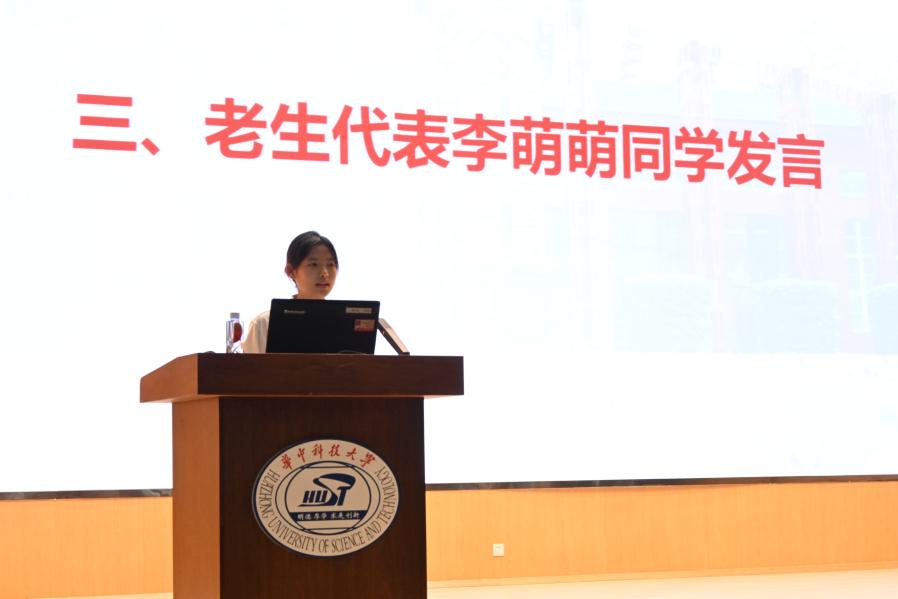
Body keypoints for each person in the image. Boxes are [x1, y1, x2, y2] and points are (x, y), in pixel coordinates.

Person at [241, 231, 339, 353]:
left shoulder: (345, 322)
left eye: (330, 264)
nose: (324, 273)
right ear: (290, 271)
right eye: (313, 264)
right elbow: (251, 366)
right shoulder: (265, 323)